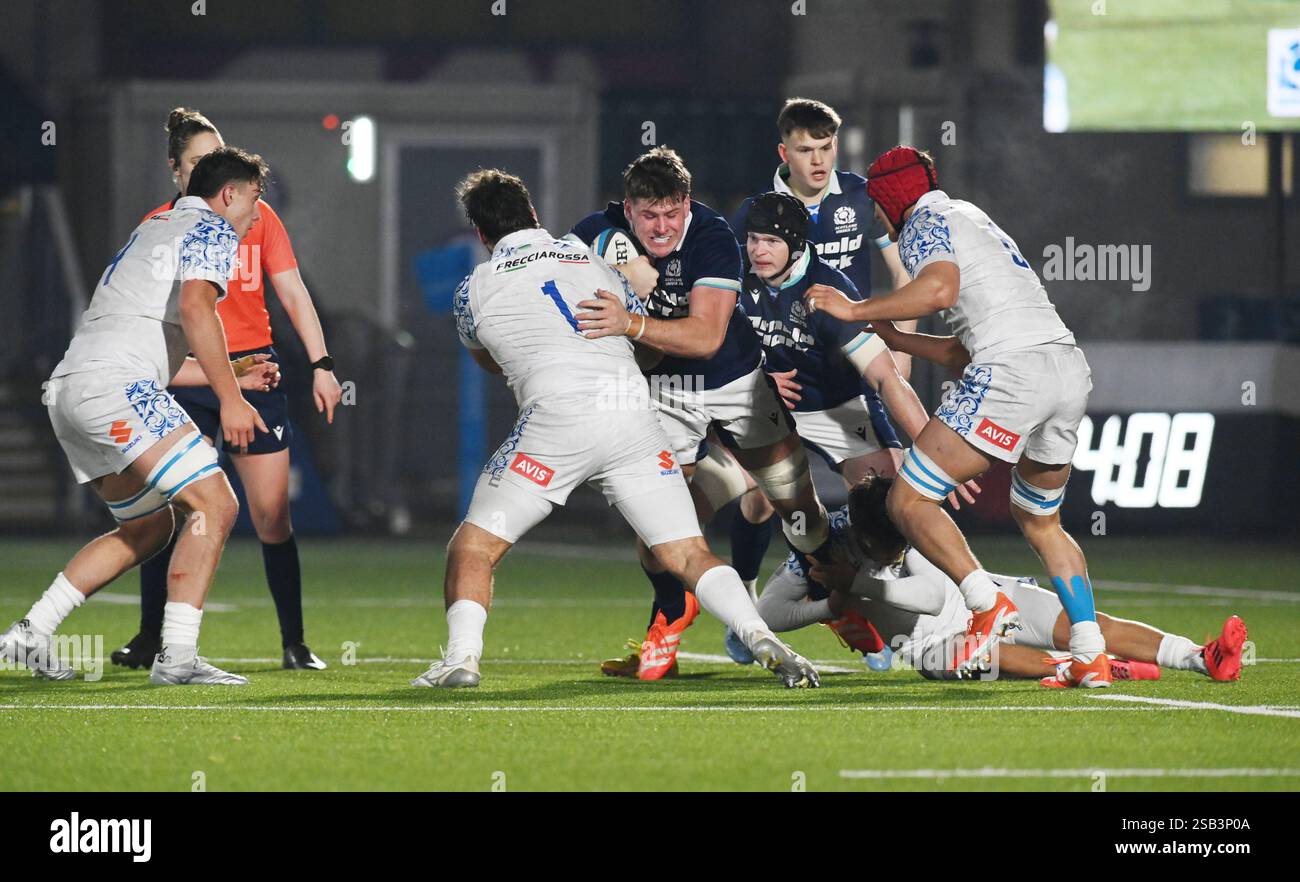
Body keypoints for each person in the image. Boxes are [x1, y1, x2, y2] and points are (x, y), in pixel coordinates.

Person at [410, 169, 819, 690]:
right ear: (534, 214)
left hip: (555, 422)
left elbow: (490, 361)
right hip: (631, 412)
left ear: (482, 235)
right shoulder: (593, 261)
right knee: (687, 552)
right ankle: (761, 635)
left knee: (474, 547)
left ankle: (461, 660)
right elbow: (645, 347)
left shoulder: (473, 289)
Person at [805, 145, 1110, 687]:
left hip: (1013, 374)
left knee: (907, 498)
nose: (876, 216)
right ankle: (1090, 653)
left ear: (892, 201)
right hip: (1066, 370)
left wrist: (855, 310)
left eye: (877, 206)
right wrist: (896, 337)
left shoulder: (922, 221)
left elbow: (938, 290)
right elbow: (962, 350)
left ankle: (986, 603)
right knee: (1041, 521)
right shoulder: (972, 217)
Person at [0, 147, 274, 686]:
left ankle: (30, 634)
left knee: (148, 525)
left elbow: (151, 343)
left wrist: (233, 379)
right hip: (115, 387)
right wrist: (232, 399)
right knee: (215, 503)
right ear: (229, 194)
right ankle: (176, 658)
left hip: (72, 387)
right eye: (254, 200)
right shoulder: (214, 230)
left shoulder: (153, 229)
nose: (256, 215)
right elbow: (197, 310)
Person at [568, 147, 833, 679]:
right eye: (649, 215)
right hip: (663, 393)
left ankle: (842, 599)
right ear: (628, 208)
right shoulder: (599, 230)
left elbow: (708, 337)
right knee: (658, 528)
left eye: (672, 213)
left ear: (687, 204)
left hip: (735, 383)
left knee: (797, 511)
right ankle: (670, 614)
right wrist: (608, 254)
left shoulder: (712, 237)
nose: (662, 227)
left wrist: (631, 324)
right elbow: (571, 259)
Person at [110, 108, 342, 672]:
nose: (212, 168)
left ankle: (294, 642)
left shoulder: (256, 217)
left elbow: (292, 292)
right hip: (187, 377)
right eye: (197, 161)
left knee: (271, 516)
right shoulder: (161, 225)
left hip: (253, 374)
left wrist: (322, 362)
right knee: (167, 509)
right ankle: (152, 639)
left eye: (217, 156)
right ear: (176, 170)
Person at [753, 476, 1249, 687]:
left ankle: (1200, 657)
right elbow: (768, 615)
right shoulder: (825, 543)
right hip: (931, 645)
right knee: (983, 655)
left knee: (1086, 623)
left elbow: (928, 593)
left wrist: (856, 582)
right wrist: (830, 606)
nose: (901, 551)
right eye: (892, 549)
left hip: (990, 595)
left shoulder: (906, 525)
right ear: (862, 536)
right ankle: (1086, 669)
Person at [728, 98, 916, 613]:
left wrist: (899, 345)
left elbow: (904, 274)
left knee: (888, 491)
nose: (818, 160)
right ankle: (743, 601)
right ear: (782, 151)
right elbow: (728, 302)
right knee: (760, 498)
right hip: (782, 382)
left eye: (826, 147)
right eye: (805, 149)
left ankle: (871, 604)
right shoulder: (757, 215)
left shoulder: (859, 197)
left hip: (848, 376)